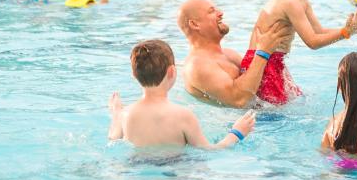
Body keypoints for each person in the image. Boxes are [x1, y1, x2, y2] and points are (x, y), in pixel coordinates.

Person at [108, 39, 256, 149]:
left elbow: (113, 139)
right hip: (175, 169)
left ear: (134, 75)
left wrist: (116, 112)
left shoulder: (125, 114)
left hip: (135, 167)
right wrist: (237, 133)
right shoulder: (183, 115)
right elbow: (210, 150)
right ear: (172, 72)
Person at [179, 0, 292, 107]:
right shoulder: (197, 66)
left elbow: (261, 82)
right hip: (241, 123)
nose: (220, 13)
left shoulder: (229, 54)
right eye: (211, 11)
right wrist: (263, 52)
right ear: (194, 24)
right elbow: (240, 100)